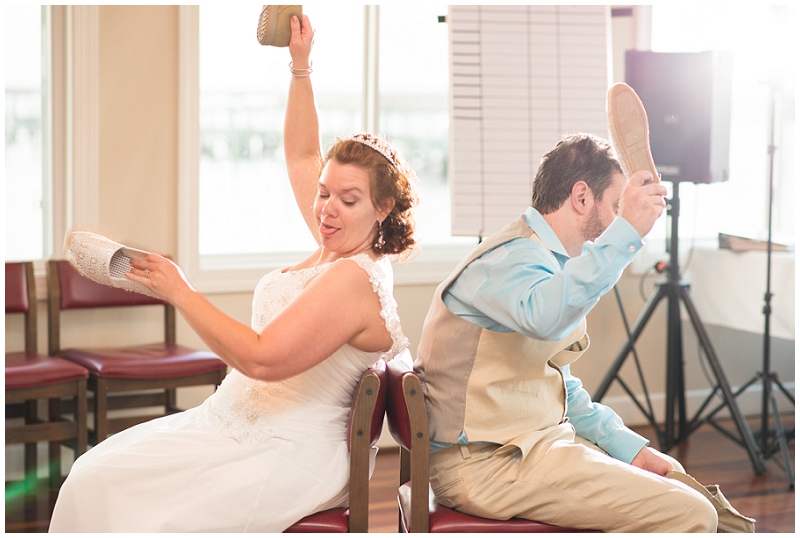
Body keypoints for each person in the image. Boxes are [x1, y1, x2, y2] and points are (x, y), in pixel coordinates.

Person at [49, 14, 418, 532]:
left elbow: (261, 358)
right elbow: (302, 152)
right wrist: (300, 66)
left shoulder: (356, 279)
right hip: (228, 423)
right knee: (93, 476)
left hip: (286, 451)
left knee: (146, 513)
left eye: (347, 199)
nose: (326, 208)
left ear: (381, 208)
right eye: (323, 192)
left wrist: (179, 290)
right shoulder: (332, 243)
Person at [414, 133, 724, 532]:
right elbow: (547, 318)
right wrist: (626, 232)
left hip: (528, 448)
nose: (616, 219)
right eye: (614, 207)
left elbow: (556, 383)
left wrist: (628, 448)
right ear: (581, 197)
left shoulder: (546, 262)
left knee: (682, 485)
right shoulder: (510, 259)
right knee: (692, 513)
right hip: (485, 466)